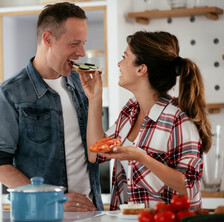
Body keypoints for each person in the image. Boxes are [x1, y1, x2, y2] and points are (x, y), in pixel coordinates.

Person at [0, 2, 103, 212]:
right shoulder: (8, 93)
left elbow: (97, 150)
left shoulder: (82, 84)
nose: (82, 52)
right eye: (74, 43)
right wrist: (51, 199)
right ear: (48, 39)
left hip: (91, 211)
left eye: (83, 43)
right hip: (40, 216)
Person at [80, 31, 212, 210]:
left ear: (141, 69)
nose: (119, 64)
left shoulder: (178, 120)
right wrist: (95, 99)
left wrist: (142, 157)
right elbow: (95, 154)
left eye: (124, 57)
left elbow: (190, 188)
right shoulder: (130, 110)